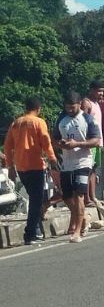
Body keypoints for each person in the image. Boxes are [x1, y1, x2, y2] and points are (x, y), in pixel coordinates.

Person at [3, 97, 59, 245]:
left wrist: (10, 166)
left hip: (21, 167)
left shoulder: (16, 123)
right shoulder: (38, 122)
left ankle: (36, 229)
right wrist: (52, 159)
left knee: (34, 199)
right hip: (36, 166)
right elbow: (46, 142)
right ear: (38, 109)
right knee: (36, 200)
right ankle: (30, 233)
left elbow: (7, 146)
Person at [52, 92, 101, 243]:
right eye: (67, 107)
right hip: (67, 163)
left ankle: (78, 231)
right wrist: (60, 144)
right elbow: (54, 139)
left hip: (83, 162)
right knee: (66, 196)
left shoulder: (87, 119)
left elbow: (96, 141)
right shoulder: (62, 118)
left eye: (72, 107)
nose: (70, 110)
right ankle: (83, 218)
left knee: (79, 195)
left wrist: (77, 144)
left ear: (79, 104)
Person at [81, 80, 104, 207]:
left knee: (94, 169)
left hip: (98, 142)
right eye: (98, 91)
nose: (101, 93)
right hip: (90, 142)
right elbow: (83, 122)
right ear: (91, 90)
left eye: (102, 91)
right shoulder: (86, 103)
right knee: (88, 170)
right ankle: (86, 198)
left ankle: (93, 197)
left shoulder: (97, 104)